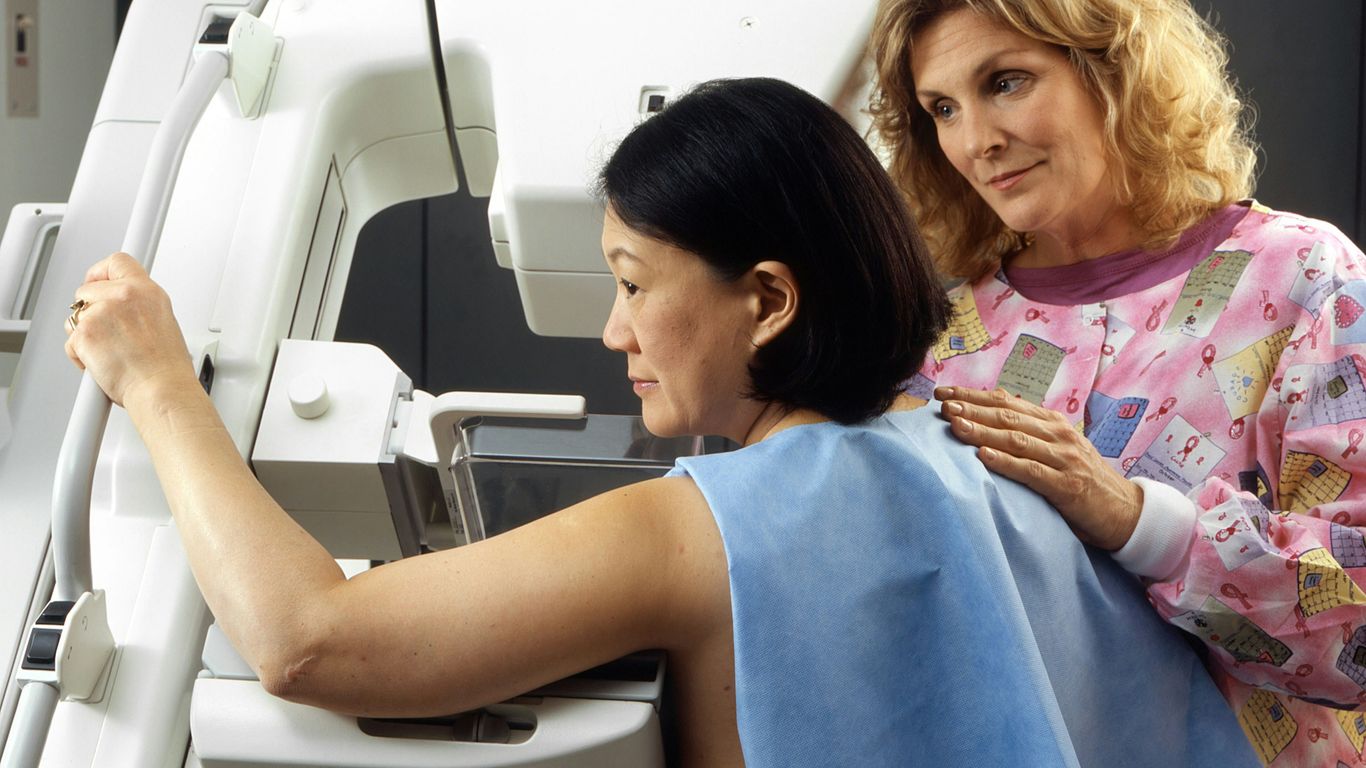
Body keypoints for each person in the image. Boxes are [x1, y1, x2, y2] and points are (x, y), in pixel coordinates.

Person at [63, 77, 1254, 766]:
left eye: (633, 283)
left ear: (768, 299)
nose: (613, 334)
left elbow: (309, 641)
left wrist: (158, 382)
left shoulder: (704, 531)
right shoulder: (1014, 480)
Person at [870, 0, 1366, 763]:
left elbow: (1358, 630)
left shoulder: (1307, 278)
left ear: (1116, 72)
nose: (976, 141)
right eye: (942, 108)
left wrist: (1139, 522)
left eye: (1005, 82)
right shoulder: (937, 341)